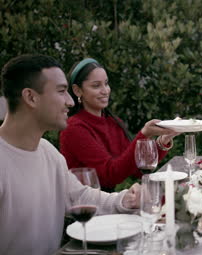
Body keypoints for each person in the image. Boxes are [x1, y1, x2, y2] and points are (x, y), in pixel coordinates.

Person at [0, 54, 141, 255]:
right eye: (61, 91)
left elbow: (80, 197)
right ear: (31, 97)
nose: (69, 101)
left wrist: (125, 200)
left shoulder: (48, 153)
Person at [60, 58, 178, 191]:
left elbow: (137, 169)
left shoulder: (112, 122)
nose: (105, 91)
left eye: (106, 83)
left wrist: (163, 140)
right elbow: (110, 175)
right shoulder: (74, 128)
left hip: (108, 203)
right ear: (77, 91)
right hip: (86, 206)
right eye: (96, 85)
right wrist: (144, 134)